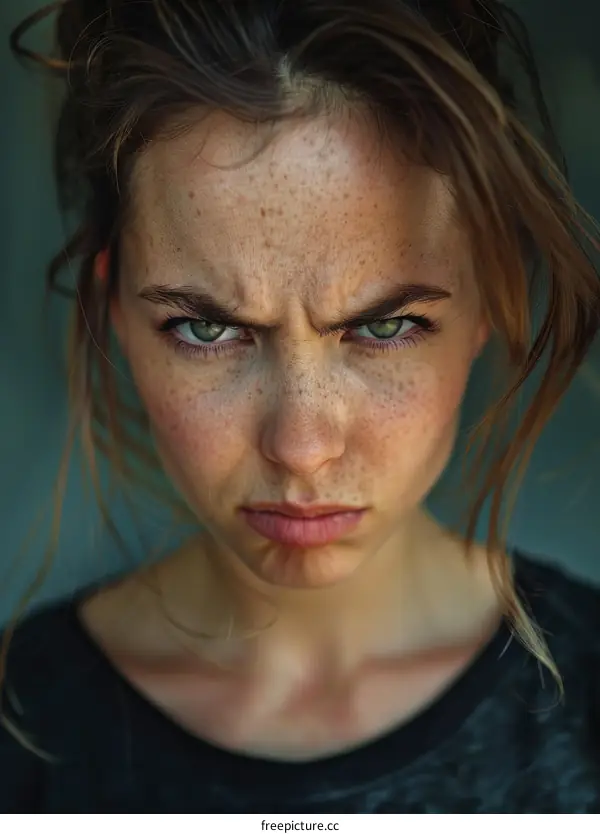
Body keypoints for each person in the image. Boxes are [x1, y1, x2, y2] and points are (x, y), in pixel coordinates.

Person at [3, 0, 600, 814]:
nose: (303, 444)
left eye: (385, 326)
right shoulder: (23, 734)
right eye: (206, 328)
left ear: (489, 301)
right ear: (115, 312)